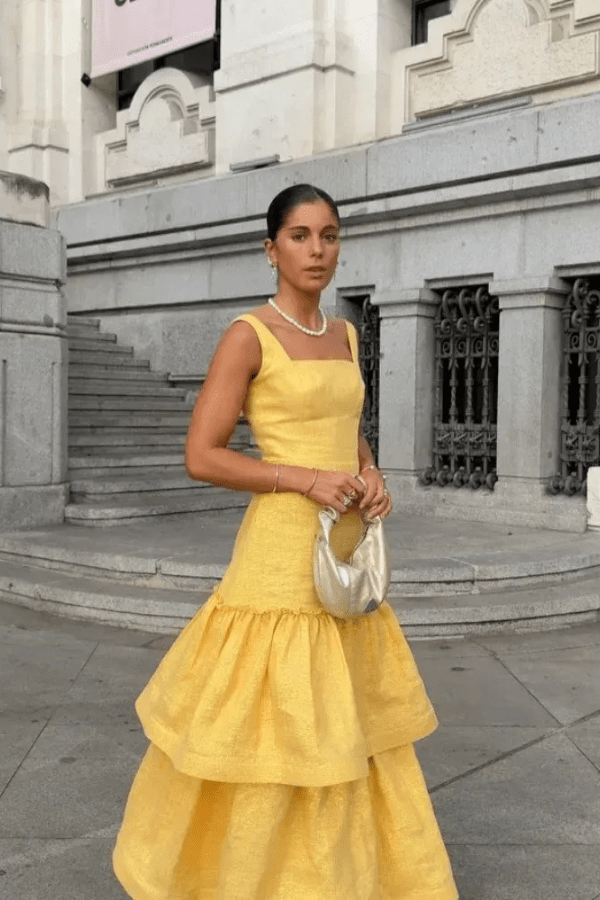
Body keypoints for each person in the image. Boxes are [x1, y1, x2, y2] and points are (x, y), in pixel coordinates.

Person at [112, 184, 458, 899]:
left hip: (345, 536)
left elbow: (345, 425)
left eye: (329, 235)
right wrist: (302, 478)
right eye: (300, 236)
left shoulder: (346, 335)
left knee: (345, 722)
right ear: (270, 249)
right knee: (272, 719)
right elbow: (203, 455)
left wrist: (368, 469)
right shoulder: (249, 334)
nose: (318, 250)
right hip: (278, 548)